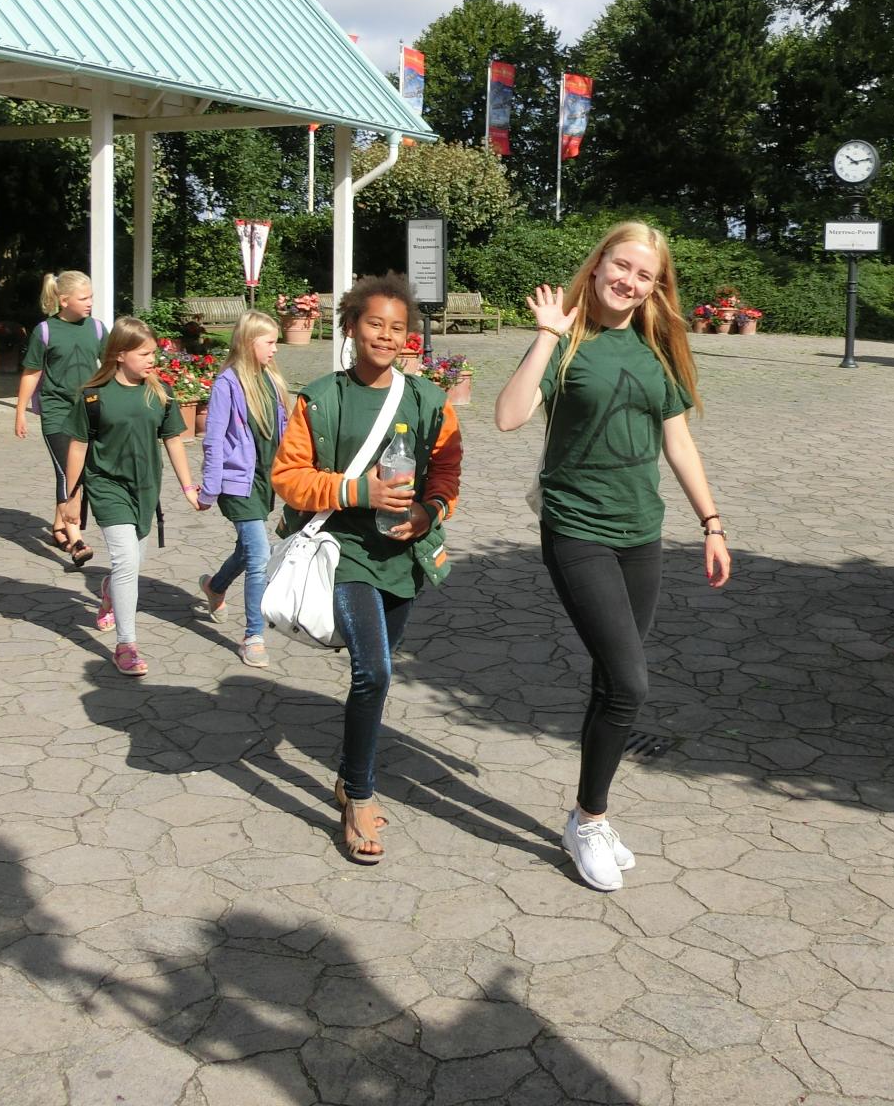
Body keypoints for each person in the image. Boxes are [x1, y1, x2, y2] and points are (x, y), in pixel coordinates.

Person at [493, 222, 731, 893]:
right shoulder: (566, 337)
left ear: (656, 287)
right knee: (631, 683)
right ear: (598, 265)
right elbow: (508, 416)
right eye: (621, 266)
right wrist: (546, 335)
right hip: (577, 530)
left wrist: (711, 524)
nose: (629, 281)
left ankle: (586, 816)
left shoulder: (658, 348)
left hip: (642, 533)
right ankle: (590, 820)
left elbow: (678, 443)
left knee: (612, 680)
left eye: (644, 274)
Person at [271, 274, 462, 864]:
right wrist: (360, 491)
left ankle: (346, 774)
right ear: (351, 326)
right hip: (343, 552)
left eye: (397, 327)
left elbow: (447, 473)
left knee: (375, 676)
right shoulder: (319, 398)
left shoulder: (429, 401)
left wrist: (429, 513)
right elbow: (287, 478)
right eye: (374, 323)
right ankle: (358, 795)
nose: (385, 335)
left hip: (403, 558)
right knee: (373, 672)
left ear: (409, 337)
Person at [62, 317, 205, 676]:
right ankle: (126, 645)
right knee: (126, 561)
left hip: (145, 488)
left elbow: (173, 440)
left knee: (132, 563)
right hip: (107, 486)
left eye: (154, 352)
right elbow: (78, 446)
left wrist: (189, 488)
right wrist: (71, 496)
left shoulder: (160, 393)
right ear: (120, 354)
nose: (152, 359)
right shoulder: (93, 396)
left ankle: (109, 589)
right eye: (144, 353)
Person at [197, 309, 289, 668]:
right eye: (270, 342)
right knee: (259, 556)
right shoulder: (227, 383)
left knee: (247, 549)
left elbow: (283, 432)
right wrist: (209, 488)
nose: (275, 349)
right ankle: (253, 636)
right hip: (238, 483)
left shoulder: (271, 379)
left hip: (265, 480)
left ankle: (215, 586)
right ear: (250, 343)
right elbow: (214, 439)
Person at [15, 270, 105, 569]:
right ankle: (76, 539)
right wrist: (20, 412)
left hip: (88, 411)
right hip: (56, 412)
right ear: (64, 301)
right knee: (70, 473)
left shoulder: (97, 328)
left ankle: (58, 527)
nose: (90, 302)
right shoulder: (45, 331)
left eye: (91, 296)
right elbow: (32, 372)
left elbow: (111, 365)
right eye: (84, 298)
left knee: (78, 472)